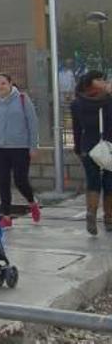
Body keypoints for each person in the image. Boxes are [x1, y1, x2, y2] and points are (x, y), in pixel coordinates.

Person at [0, 73, 40, 228]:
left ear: (10, 83)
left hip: (19, 147)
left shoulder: (22, 99)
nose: (0, 87)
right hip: (0, 147)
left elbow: (33, 123)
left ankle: (32, 202)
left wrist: (33, 146)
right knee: (4, 181)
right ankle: (6, 216)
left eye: (3, 83)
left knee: (20, 180)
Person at [71, 70, 112, 235]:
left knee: (92, 182)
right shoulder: (108, 101)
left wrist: (78, 148)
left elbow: (76, 129)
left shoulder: (77, 104)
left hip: (87, 147)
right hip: (109, 147)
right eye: (100, 79)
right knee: (110, 183)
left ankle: (91, 214)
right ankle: (109, 219)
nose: (103, 81)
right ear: (91, 83)